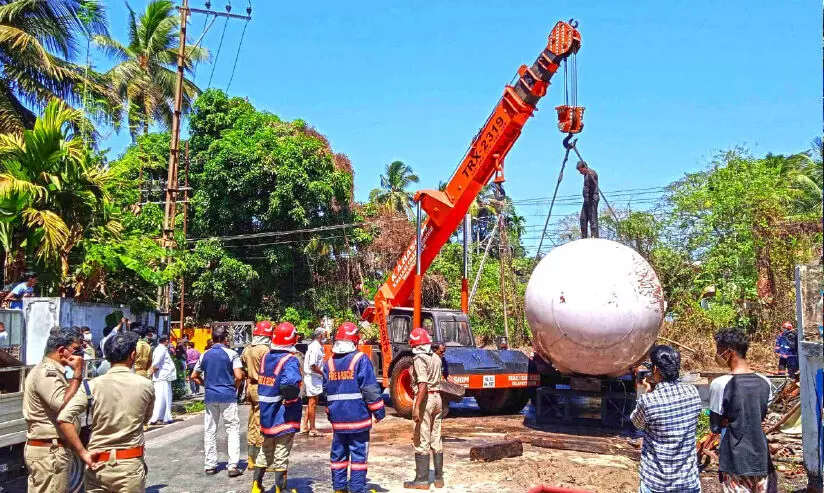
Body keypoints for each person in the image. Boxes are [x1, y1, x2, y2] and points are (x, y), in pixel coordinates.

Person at [57, 331, 155, 493]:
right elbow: (146, 418)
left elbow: (64, 418)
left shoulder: (91, 385)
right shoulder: (145, 385)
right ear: (132, 355)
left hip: (97, 464)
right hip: (128, 465)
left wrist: (82, 453)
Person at [630, 345, 702, 493]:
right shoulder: (693, 392)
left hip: (656, 483)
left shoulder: (649, 401)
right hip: (688, 482)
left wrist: (645, 392)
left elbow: (637, 423)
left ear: (655, 369)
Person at [710, 328, 774, 493]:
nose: (717, 355)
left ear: (729, 352)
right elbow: (761, 417)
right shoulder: (765, 382)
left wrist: (727, 421)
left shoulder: (720, 384)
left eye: (719, 350)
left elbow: (715, 426)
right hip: (761, 458)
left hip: (734, 460)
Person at [324, 322, 385, 493]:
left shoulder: (328, 363)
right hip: (358, 420)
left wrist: (331, 414)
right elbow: (370, 389)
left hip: (338, 421)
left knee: (338, 456)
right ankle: (358, 489)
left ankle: (339, 488)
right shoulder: (360, 359)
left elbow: (325, 392)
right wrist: (379, 412)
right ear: (355, 340)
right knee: (358, 458)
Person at [22, 328, 85, 492]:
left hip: (50, 450)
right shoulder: (46, 372)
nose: (80, 354)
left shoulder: (54, 371)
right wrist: (77, 374)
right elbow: (61, 403)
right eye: (76, 349)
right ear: (62, 351)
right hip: (49, 452)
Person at [250, 322, 303, 493]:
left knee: (265, 450)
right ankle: (281, 489)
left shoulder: (267, 357)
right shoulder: (289, 360)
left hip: (266, 413)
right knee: (281, 450)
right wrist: (291, 401)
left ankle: (256, 486)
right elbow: (289, 386)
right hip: (282, 414)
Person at [191, 326, 244, 477]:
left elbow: (194, 375)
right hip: (228, 396)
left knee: (210, 431)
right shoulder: (232, 354)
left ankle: (210, 465)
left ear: (213, 338)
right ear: (225, 339)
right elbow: (239, 376)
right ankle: (233, 465)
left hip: (211, 396)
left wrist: (206, 384)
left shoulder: (205, 355)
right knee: (232, 429)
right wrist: (234, 387)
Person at [405, 327, 444, 489]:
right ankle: (439, 478)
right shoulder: (436, 357)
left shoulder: (419, 359)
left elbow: (422, 385)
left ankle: (421, 480)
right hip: (437, 399)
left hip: (426, 399)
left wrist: (416, 408)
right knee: (436, 437)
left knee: (421, 438)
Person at [241, 320, 274, 472]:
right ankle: (263, 461)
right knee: (263, 422)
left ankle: (251, 460)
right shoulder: (265, 350)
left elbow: (242, 368)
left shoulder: (247, 349)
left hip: (250, 386)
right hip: (262, 387)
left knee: (252, 421)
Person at [301, 327, 327, 437]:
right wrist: (323, 374)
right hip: (313, 377)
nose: (325, 337)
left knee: (312, 402)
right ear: (320, 336)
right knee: (312, 403)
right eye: (324, 335)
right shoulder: (315, 348)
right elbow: (313, 365)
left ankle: (305, 426)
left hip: (314, 377)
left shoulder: (316, 346)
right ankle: (312, 429)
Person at [148, 335, 177, 425]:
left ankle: (163, 417)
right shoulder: (161, 350)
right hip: (162, 377)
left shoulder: (161, 349)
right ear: (166, 341)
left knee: (165, 397)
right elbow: (156, 362)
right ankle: (157, 417)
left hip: (163, 377)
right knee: (161, 397)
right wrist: (151, 371)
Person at [576, 161, 599, 238]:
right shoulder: (585, 175)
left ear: (584, 168)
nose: (580, 172)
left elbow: (594, 177)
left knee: (592, 218)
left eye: (580, 170)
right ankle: (584, 237)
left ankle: (594, 236)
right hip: (586, 200)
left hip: (592, 199)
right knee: (583, 218)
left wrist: (589, 173)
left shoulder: (591, 173)